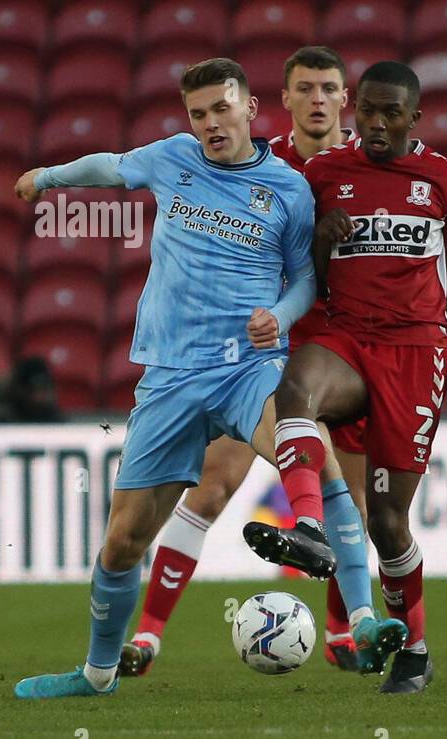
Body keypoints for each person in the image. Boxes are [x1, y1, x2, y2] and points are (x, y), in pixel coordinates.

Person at [11, 58, 331, 698]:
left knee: (292, 424)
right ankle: (99, 674)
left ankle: (315, 537)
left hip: (246, 362)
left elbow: (306, 280)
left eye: (222, 108)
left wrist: (282, 315)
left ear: (249, 107)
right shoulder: (173, 157)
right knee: (124, 541)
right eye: (199, 112)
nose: (211, 123)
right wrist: (49, 177)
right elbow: (111, 165)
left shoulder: (289, 189)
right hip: (170, 374)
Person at [120, 46, 405, 679]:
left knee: (351, 502)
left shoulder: (366, 171)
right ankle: (146, 635)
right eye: (304, 87)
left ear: (345, 100)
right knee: (213, 486)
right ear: (283, 98)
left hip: (337, 355)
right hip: (257, 359)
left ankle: (345, 633)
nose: (317, 98)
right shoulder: (264, 164)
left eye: (329, 87)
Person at [241, 61, 447, 694]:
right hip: (346, 336)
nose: (374, 124)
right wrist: (321, 237)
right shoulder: (323, 174)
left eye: (389, 114)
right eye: (367, 111)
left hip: (414, 350)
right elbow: (304, 271)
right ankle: (310, 528)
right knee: (295, 388)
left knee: (387, 523)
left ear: (414, 118)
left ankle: (417, 649)